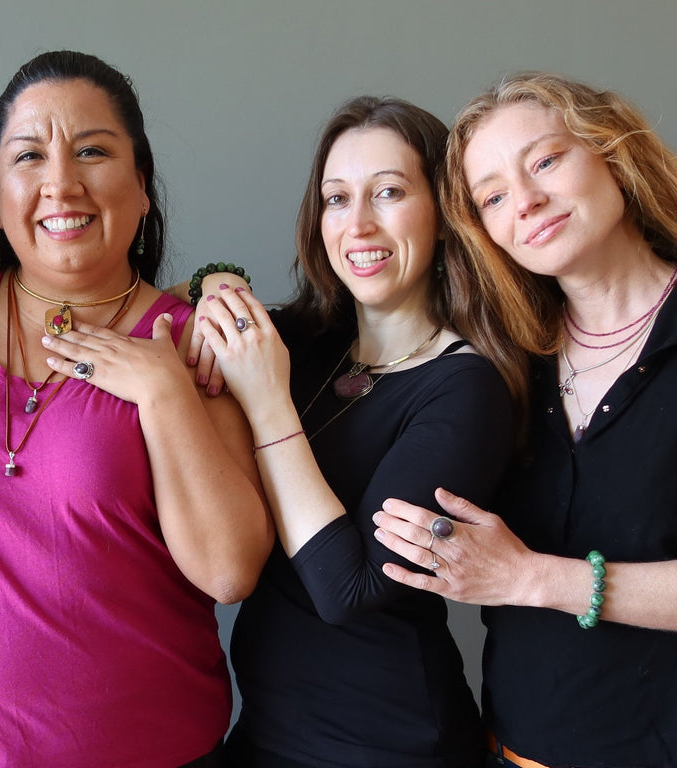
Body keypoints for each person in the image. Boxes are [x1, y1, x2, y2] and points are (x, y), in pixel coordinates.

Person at [0, 51, 271, 768]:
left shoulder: (195, 344)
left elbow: (230, 571)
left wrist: (164, 391)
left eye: (92, 151)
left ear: (141, 187)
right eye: (28, 156)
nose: (60, 183)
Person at [186, 97, 526, 767]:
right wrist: (214, 283)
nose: (359, 224)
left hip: (386, 745)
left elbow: (353, 590)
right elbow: (183, 306)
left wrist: (269, 406)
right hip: (266, 734)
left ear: (443, 211)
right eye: (337, 199)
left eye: (389, 192)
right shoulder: (303, 341)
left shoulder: (466, 385)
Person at [373, 72, 677, 768]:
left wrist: (533, 579)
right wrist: (208, 293)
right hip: (516, 750)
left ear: (611, 152)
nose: (528, 201)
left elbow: (523, 576)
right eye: (494, 196)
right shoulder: (504, 360)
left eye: (545, 160)